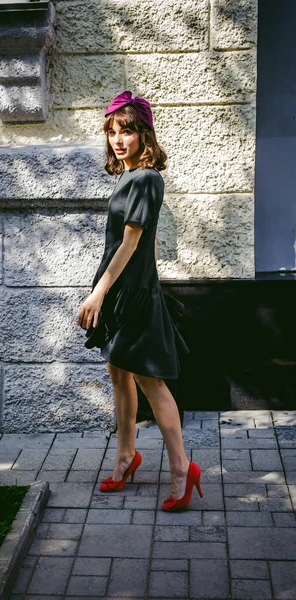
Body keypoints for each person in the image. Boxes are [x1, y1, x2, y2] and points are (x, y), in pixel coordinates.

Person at [76, 90, 203, 511]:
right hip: (120, 292)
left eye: (126, 130)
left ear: (143, 134)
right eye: (112, 131)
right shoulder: (126, 178)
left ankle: (183, 469)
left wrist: (99, 292)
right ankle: (127, 456)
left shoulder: (147, 178)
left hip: (131, 294)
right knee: (118, 373)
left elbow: (130, 244)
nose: (117, 139)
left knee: (150, 381)